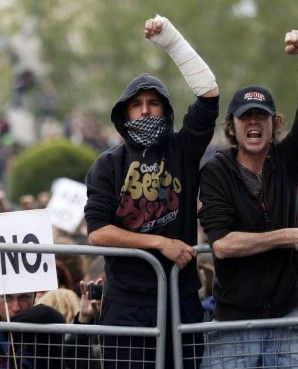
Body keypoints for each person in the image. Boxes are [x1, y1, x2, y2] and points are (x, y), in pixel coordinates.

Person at [198, 28, 298, 368]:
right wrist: (288, 236)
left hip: (286, 315)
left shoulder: (286, 160)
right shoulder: (215, 172)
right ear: (231, 127)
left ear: (273, 124)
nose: (253, 122)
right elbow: (223, 245)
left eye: (260, 116)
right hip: (233, 322)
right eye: (245, 117)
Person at [84, 15, 219, 369]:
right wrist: (159, 243)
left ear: (165, 109)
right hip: (126, 304)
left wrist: (172, 40)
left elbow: (208, 93)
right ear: (125, 112)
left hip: (180, 296)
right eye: (137, 103)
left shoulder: (183, 150)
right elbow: (98, 233)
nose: (145, 110)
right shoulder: (107, 165)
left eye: (153, 103)